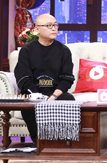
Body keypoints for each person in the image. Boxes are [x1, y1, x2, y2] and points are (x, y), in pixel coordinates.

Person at [14, 13, 76, 144]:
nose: (54, 28)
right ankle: (39, 142)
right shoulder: (27, 50)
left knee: (69, 99)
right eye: (49, 25)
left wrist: (53, 97)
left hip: (56, 93)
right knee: (27, 104)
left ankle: (62, 141)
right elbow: (23, 77)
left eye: (55, 25)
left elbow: (67, 78)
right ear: (37, 29)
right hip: (34, 93)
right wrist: (37, 96)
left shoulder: (63, 50)